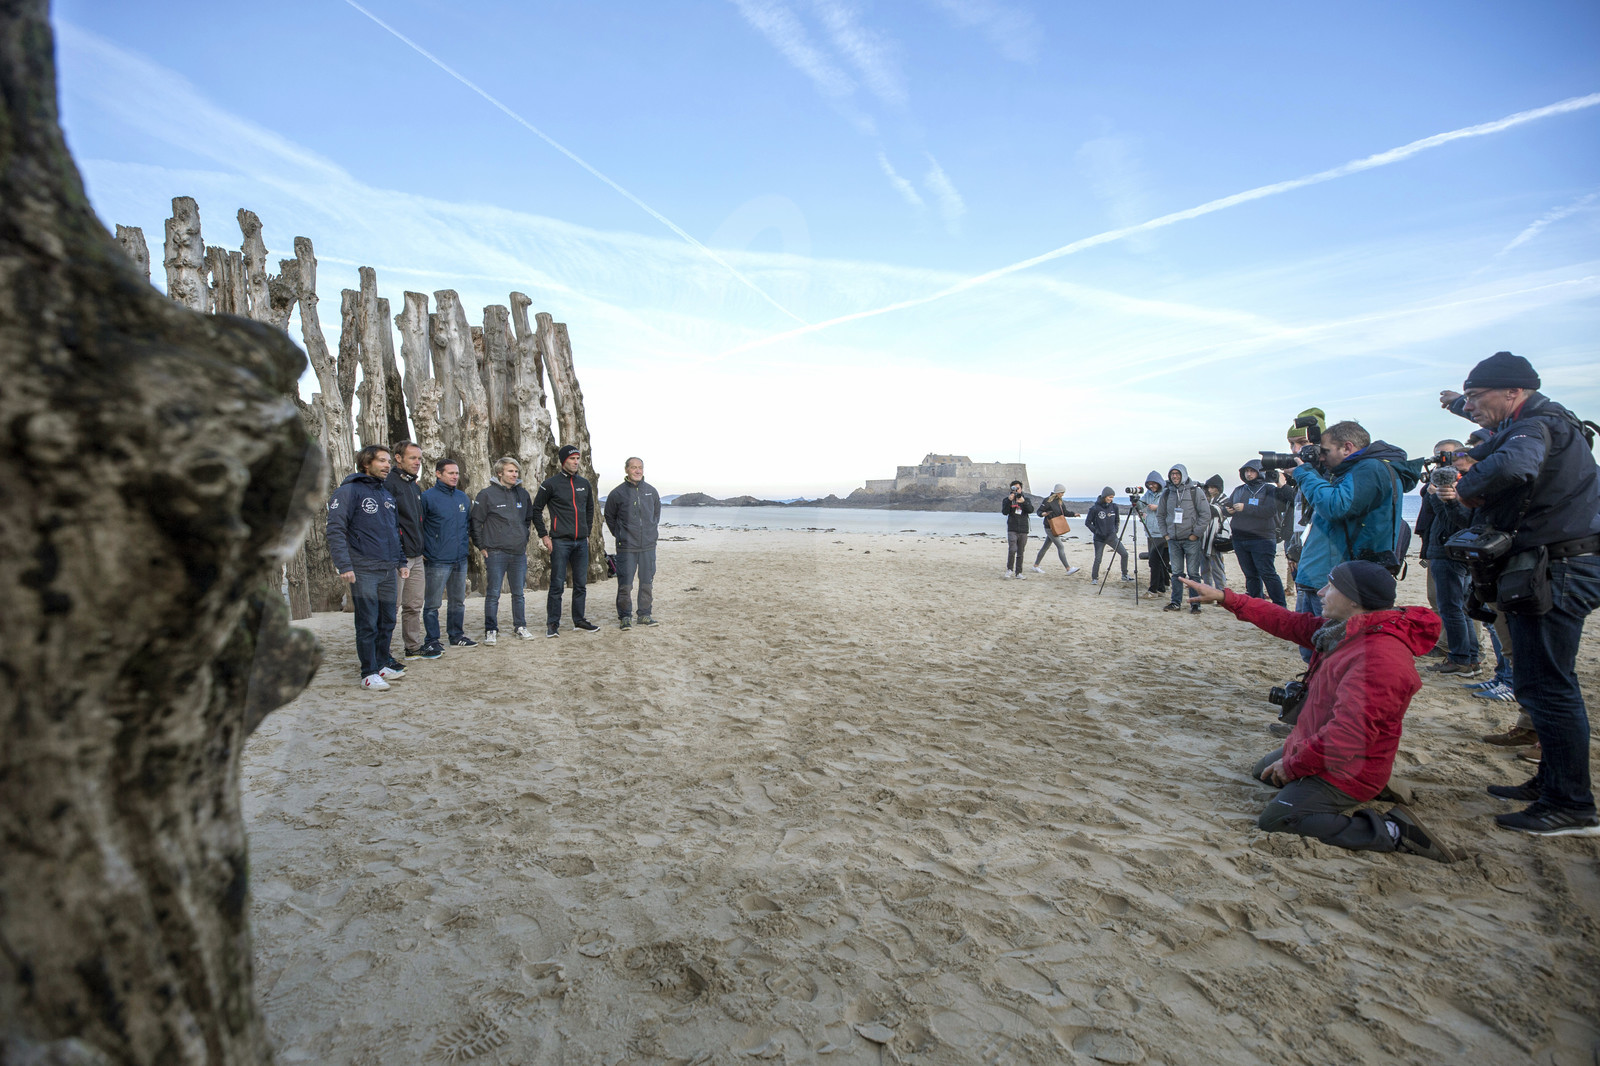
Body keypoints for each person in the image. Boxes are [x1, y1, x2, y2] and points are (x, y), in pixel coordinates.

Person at [1179, 564, 1457, 862]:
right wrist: (1226, 598)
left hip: (1351, 765)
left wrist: (1294, 766)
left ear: (1354, 600)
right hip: (1321, 742)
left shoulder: (1379, 658)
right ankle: (1378, 786)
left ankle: (1394, 830)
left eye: (1331, 587)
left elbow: (1347, 738)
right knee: (1263, 772)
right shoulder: (1344, 630)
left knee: (1277, 819)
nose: (1321, 592)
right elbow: (1288, 622)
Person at [1438, 351, 1600, 836]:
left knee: (1549, 686)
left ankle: (1570, 803)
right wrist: (1459, 407)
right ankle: (1552, 782)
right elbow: (1503, 445)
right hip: (1559, 564)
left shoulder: (1536, 426)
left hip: (1557, 569)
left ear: (1514, 391)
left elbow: (1512, 467)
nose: (1470, 407)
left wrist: (1469, 485)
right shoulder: (1545, 421)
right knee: (1541, 680)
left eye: (1475, 397)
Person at [1288, 420, 1416, 616]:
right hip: (1321, 575)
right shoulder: (1352, 471)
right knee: (1309, 632)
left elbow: (1334, 506)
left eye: (1325, 451)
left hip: (1335, 581)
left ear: (1347, 447)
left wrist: (1304, 474)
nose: (1321, 457)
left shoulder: (1371, 469)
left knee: (1328, 635)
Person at [326, 445, 410, 690]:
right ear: (366, 463)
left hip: (388, 568)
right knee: (368, 621)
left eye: (388, 461)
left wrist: (401, 561)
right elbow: (335, 530)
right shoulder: (348, 491)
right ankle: (368, 672)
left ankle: (382, 663)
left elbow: (394, 532)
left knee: (388, 620)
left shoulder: (386, 495)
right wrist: (344, 565)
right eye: (382, 461)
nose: (387, 465)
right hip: (363, 569)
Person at [1416, 440, 1480, 675]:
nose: (1444, 463)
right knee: (1460, 608)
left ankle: (1461, 658)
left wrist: (1438, 496)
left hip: (1450, 552)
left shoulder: (1465, 485)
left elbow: (1453, 521)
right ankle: (1470, 658)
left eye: (1449, 457)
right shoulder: (1467, 482)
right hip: (1450, 550)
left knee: (1451, 609)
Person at [533, 444, 601, 636]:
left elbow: (590, 509)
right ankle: (553, 624)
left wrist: (587, 532)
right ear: (563, 461)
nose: (576, 462)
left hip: (581, 542)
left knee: (580, 584)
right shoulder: (550, 484)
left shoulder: (584, 484)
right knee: (557, 585)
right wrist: (544, 535)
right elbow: (536, 510)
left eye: (578, 458)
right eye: (572, 459)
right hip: (560, 541)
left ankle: (579, 620)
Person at [470, 456, 535, 644]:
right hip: (495, 552)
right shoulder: (486, 494)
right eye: (510, 471)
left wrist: (523, 539)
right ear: (500, 473)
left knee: (519, 593)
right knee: (493, 594)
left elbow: (527, 520)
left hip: (518, 553)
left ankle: (520, 626)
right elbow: (476, 522)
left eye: (516, 471)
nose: (514, 474)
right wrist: (481, 546)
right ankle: (491, 629)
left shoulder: (522, 494)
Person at [420, 457, 476, 652]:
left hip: (460, 558)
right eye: (450, 473)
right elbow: (418, 526)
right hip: (437, 559)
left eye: (457, 473)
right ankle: (432, 640)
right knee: (433, 603)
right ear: (438, 474)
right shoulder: (427, 497)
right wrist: (423, 550)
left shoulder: (462, 497)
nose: (455, 476)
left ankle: (456, 635)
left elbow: (469, 525)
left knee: (458, 601)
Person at [604, 456, 662, 630]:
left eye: (640, 467)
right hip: (627, 547)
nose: (637, 471)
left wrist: (650, 532)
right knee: (625, 584)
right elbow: (609, 517)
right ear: (626, 470)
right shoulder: (617, 493)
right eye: (633, 467)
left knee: (647, 582)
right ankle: (625, 617)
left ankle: (644, 615)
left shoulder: (651, 491)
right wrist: (621, 535)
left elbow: (656, 515)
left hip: (648, 546)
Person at [383, 440, 427, 660]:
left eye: (419, 458)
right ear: (398, 458)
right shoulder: (389, 484)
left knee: (414, 605)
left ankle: (413, 646)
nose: (417, 462)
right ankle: (383, 653)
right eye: (412, 458)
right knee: (392, 607)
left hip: (416, 556)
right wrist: (398, 553)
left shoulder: (413, 485)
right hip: (398, 557)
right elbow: (388, 523)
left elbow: (416, 522)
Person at [1224, 459, 1286, 606]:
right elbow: (1227, 507)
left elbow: (1270, 511)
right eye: (1246, 471)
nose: (1249, 474)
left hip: (1262, 538)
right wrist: (1227, 510)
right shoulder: (1239, 490)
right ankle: (1256, 606)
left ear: (1260, 472)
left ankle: (1280, 605)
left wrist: (1245, 507)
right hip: (1240, 538)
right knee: (1250, 575)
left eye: (1252, 471)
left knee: (1267, 573)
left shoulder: (1269, 489)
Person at [1159, 465, 1210, 614]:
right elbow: (1160, 515)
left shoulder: (1195, 491)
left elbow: (1205, 514)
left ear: (1184, 475)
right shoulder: (1167, 493)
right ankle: (1176, 602)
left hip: (1191, 539)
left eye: (1177, 474)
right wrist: (1165, 534)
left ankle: (1195, 604)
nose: (1174, 476)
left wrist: (1196, 534)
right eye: (1172, 474)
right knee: (1176, 574)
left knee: (1193, 573)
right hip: (1173, 540)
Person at [1030, 484, 1080, 576]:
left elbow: (1065, 512)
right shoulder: (1047, 500)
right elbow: (1039, 511)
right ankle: (1068, 568)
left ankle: (1035, 566)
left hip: (1056, 527)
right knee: (1061, 546)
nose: (1063, 494)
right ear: (1057, 492)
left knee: (1045, 547)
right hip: (1049, 527)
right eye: (1062, 492)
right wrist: (1043, 514)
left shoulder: (1060, 501)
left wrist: (1074, 514)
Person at [1084, 487, 1130, 583]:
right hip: (1099, 539)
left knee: (1124, 554)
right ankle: (1094, 578)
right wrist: (1096, 531)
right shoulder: (1095, 508)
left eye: (1112, 497)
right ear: (1104, 496)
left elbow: (1117, 520)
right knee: (1098, 559)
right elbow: (1087, 522)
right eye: (1109, 497)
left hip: (1112, 537)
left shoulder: (1114, 507)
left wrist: (1115, 530)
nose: (1111, 499)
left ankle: (1125, 575)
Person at [1139, 472, 1170, 595]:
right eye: (1149, 484)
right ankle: (1163, 586)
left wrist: (1158, 507)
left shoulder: (1166, 493)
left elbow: (1172, 508)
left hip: (1161, 531)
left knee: (1154, 561)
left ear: (1159, 482)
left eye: (1153, 484)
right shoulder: (1148, 494)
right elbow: (1141, 505)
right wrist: (1135, 500)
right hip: (1150, 531)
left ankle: (1154, 589)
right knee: (1159, 560)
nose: (1151, 486)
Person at [999, 481, 1033, 579]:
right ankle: (1009, 569)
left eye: (1018, 488)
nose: (1016, 490)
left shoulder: (1026, 499)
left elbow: (1030, 510)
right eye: (1014, 488)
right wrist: (1009, 501)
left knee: (1020, 551)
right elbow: (1004, 512)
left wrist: (1023, 502)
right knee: (1012, 549)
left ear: (1021, 489)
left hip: (1023, 529)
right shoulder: (1007, 499)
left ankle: (1018, 572)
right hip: (1012, 528)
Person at [1202, 474, 1230, 589]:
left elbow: (1216, 511)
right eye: (1209, 487)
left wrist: (1203, 507)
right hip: (1204, 537)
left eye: (1213, 487)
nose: (1210, 490)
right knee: (1204, 567)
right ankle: (1208, 589)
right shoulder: (1207, 499)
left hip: (1215, 536)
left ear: (1218, 488)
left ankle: (1221, 590)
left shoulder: (1224, 498)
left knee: (1217, 566)